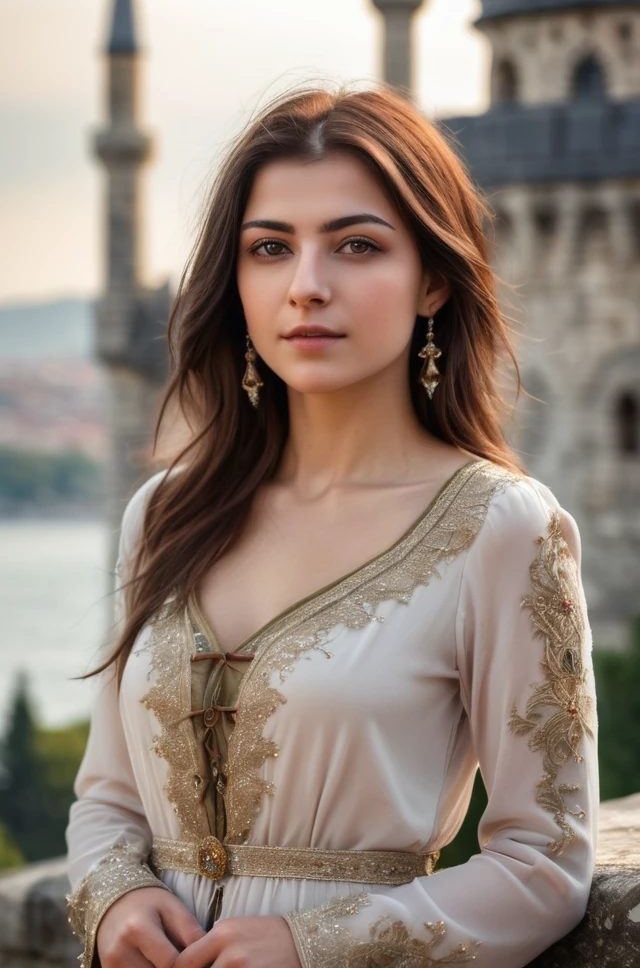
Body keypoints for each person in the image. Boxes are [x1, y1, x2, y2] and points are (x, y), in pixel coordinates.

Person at [65, 84, 598, 968]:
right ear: (235, 282)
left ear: (432, 279)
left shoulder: (500, 530)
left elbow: (545, 858)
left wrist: (313, 946)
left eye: (356, 245)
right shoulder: (165, 514)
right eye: (271, 248)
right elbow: (107, 799)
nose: (307, 287)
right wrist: (115, 895)